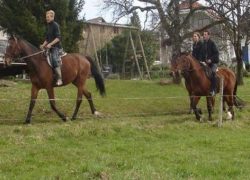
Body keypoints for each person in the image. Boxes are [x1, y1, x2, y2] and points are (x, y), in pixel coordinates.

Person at [40, 10, 63, 86]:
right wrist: (43, 45)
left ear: (52, 17)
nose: (46, 18)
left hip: (56, 48)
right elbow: (47, 38)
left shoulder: (55, 25)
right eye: (46, 17)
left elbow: (58, 38)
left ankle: (59, 79)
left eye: (48, 17)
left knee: (54, 59)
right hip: (49, 47)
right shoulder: (49, 26)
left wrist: (50, 44)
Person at [201, 30, 219, 96]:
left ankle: (213, 90)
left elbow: (216, 53)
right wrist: (201, 60)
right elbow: (202, 54)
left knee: (213, 73)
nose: (204, 36)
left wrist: (211, 60)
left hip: (213, 62)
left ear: (209, 35)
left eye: (205, 35)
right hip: (205, 63)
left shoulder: (212, 43)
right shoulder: (203, 44)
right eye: (203, 35)